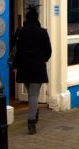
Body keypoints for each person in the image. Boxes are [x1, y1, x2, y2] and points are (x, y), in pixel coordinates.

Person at [11, 7, 52, 135]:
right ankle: (31, 121)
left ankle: (34, 112)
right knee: (33, 95)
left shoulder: (20, 31)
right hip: (37, 67)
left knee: (31, 93)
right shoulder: (42, 32)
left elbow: (12, 45)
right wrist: (42, 59)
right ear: (37, 19)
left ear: (26, 19)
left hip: (23, 67)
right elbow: (48, 51)